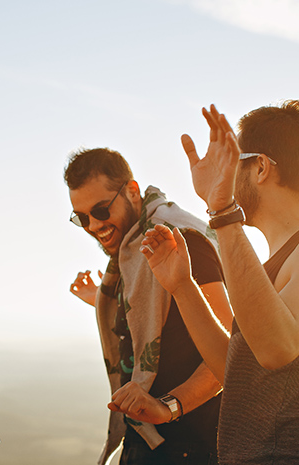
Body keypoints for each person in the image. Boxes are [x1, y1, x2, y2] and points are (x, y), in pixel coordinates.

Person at [122, 101, 299, 463]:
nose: (226, 176)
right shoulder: (280, 260)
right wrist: (183, 287)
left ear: (261, 167)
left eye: (233, 163)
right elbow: (239, 374)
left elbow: (275, 348)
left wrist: (222, 212)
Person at [65, 148, 232, 465]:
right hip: (146, 441)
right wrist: (102, 300)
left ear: (131, 191)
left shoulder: (180, 240)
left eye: (100, 210)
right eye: (81, 217)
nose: (92, 225)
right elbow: (163, 321)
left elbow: (227, 352)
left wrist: (169, 407)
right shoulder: (132, 251)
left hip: (190, 447)